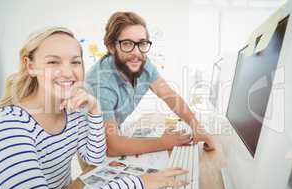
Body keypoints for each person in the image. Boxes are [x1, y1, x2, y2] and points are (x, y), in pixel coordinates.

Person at [0, 26, 189, 189]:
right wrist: (140, 183)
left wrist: (94, 110)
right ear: (30, 66)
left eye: (75, 62)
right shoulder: (10, 125)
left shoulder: (71, 113)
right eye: (53, 62)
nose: (67, 72)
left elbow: (94, 160)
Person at [86, 11, 215, 157]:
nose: (136, 52)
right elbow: (113, 147)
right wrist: (163, 143)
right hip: (92, 147)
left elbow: (169, 95)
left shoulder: (142, 62)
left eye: (141, 43)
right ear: (110, 46)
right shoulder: (101, 85)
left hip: (113, 134)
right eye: (127, 44)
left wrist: (196, 126)